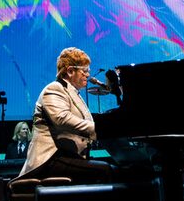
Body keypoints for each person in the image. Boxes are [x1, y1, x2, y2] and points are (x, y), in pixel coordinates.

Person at [11, 47, 112, 184]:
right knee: (105, 170)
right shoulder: (54, 88)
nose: (88, 75)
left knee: (108, 169)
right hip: (50, 160)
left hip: (67, 157)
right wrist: (100, 129)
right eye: (85, 70)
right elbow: (62, 118)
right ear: (70, 71)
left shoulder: (73, 93)